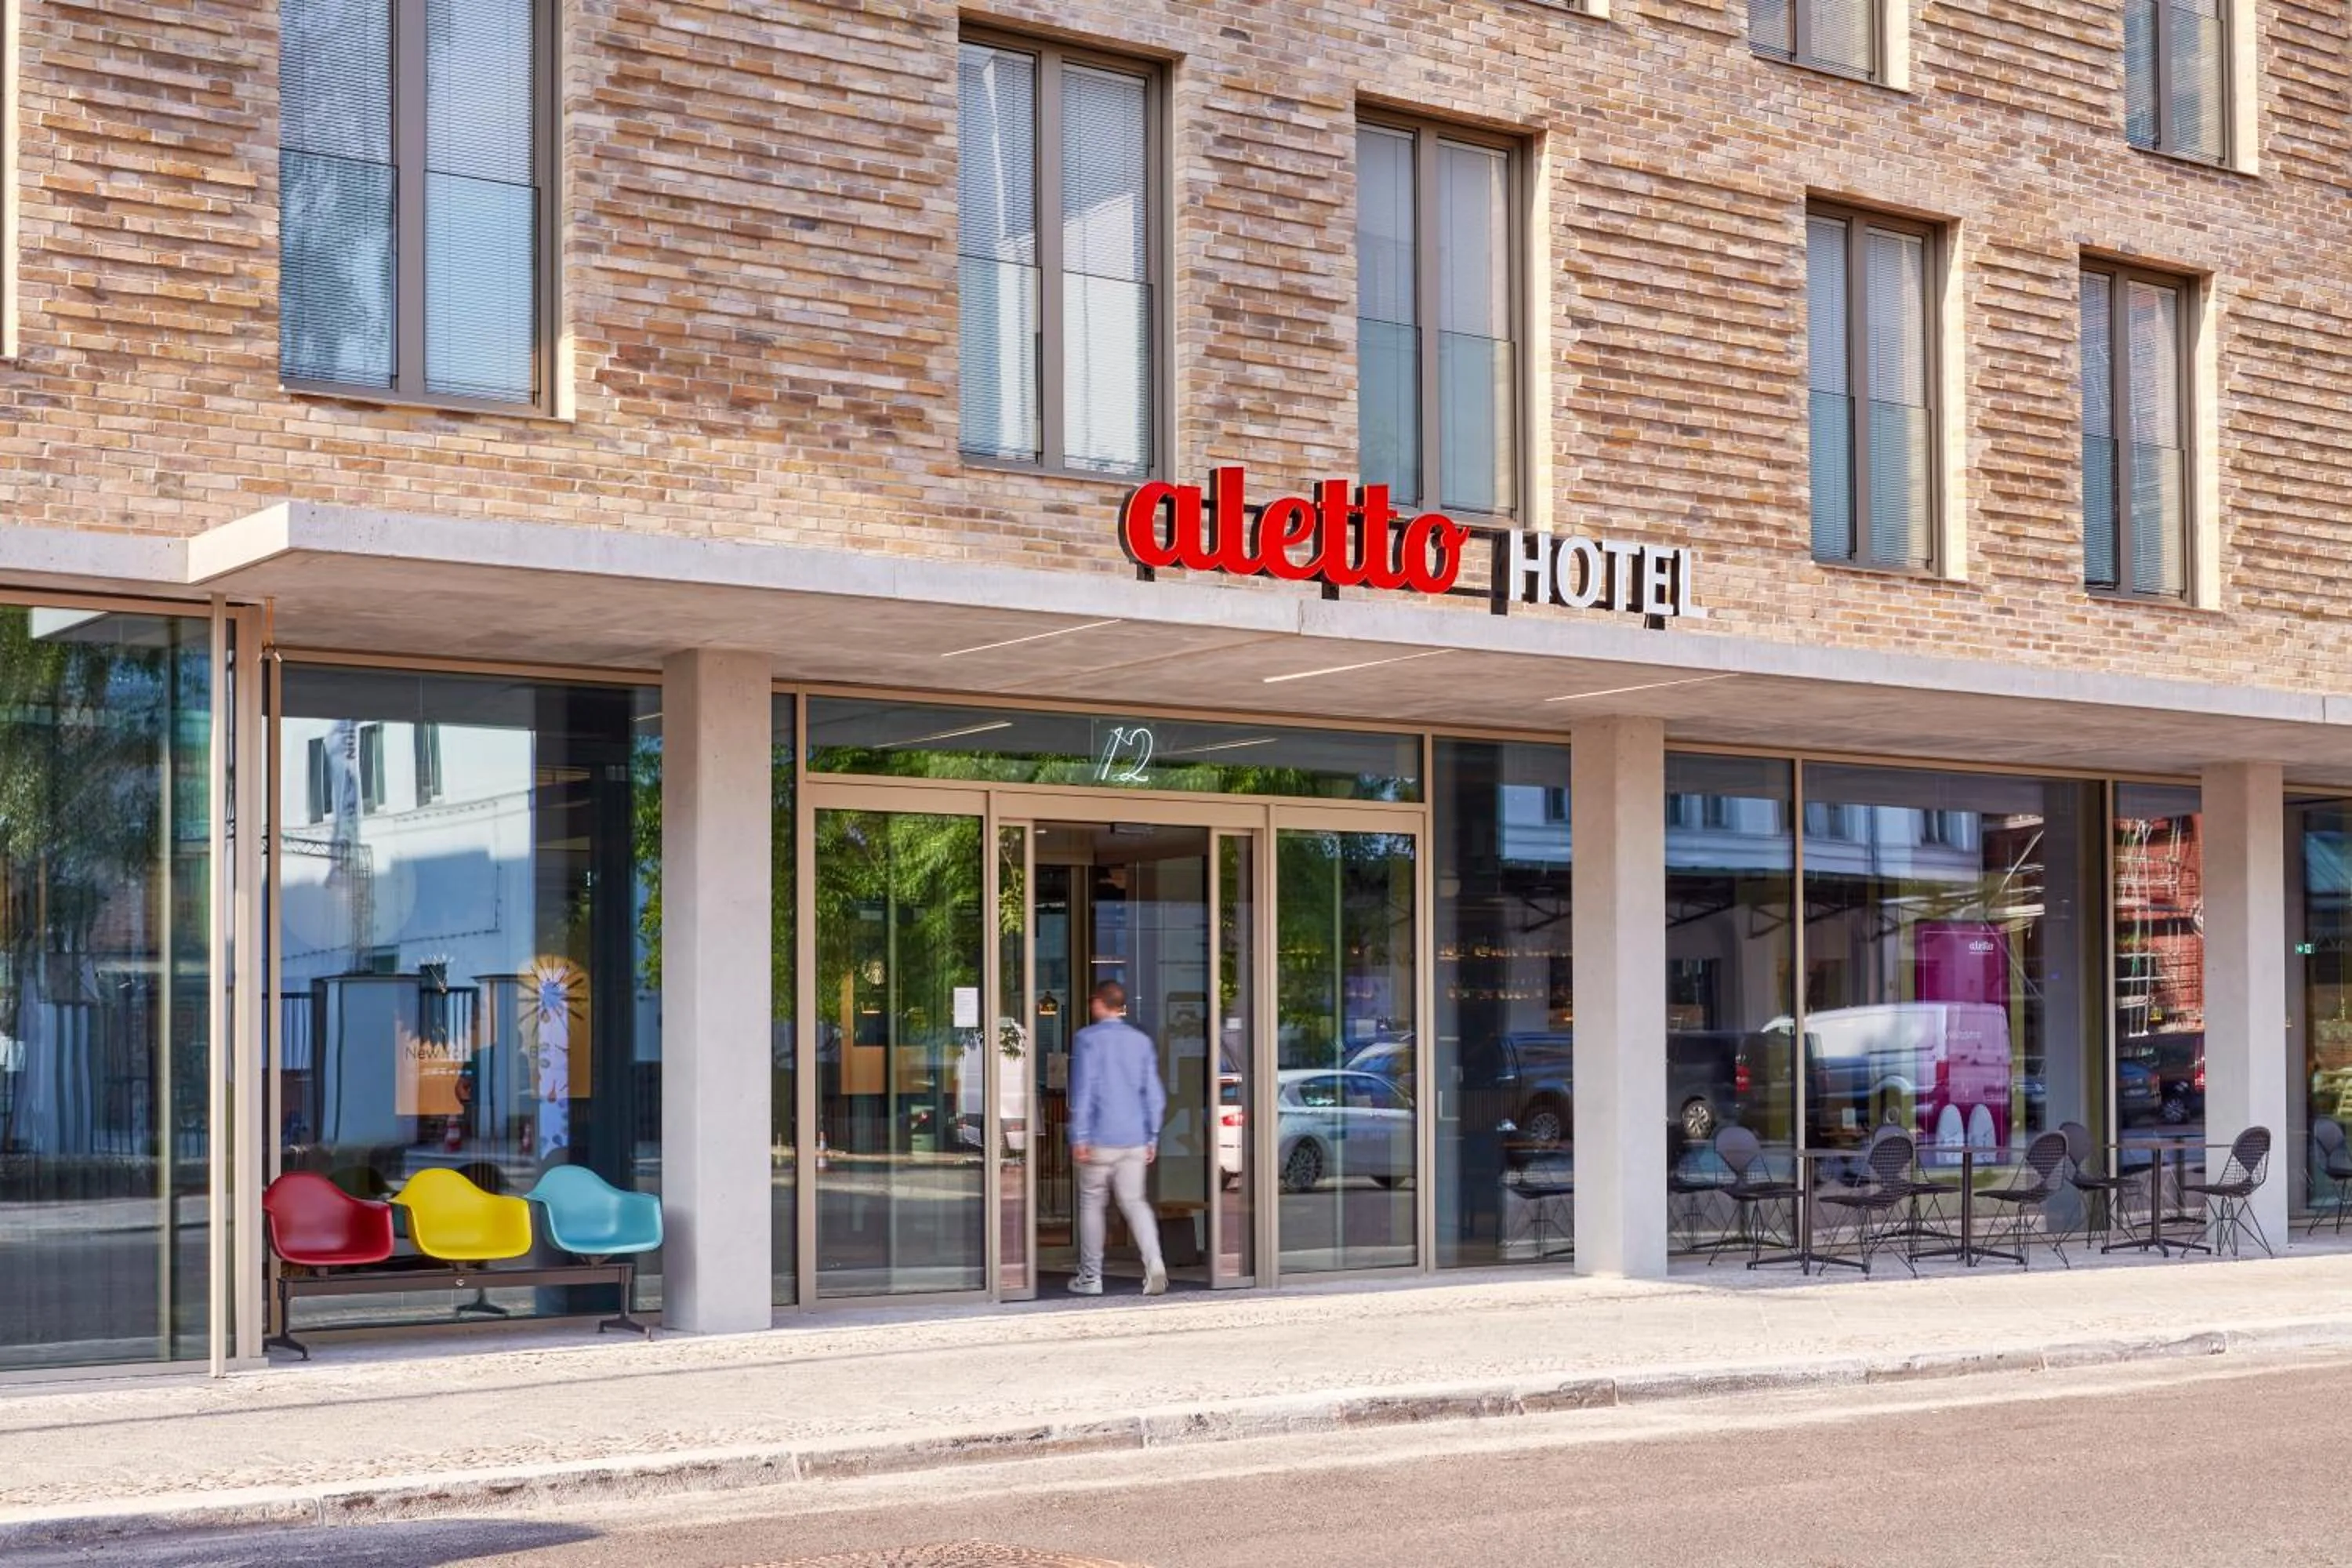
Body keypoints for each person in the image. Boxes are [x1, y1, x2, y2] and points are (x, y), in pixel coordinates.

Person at [1067, 979, 1169, 1297]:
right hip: (1135, 1138)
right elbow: (1155, 1095)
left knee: (1092, 1203)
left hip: (1099, 1137)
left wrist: (1079, 1135)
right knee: (1135, 1203)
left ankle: (1091, 1277)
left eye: (1092, 1001)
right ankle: (1154, 1263)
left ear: (1099, 1002)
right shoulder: (1141, 1042)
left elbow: (1083, 1090)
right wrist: (1152, 1135)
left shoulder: (1087, 1040)